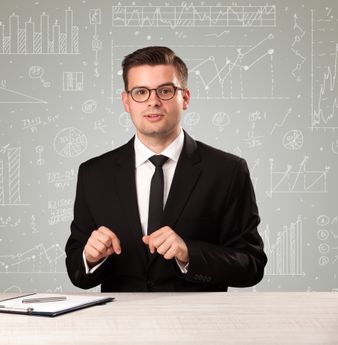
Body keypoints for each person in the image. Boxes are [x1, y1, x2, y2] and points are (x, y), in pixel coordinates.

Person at [65, 46, 267, 292]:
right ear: (126, 101)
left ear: (185, 98)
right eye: (141, 92)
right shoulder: (93, 174)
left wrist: (188, 254)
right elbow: (77, 271)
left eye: (165, 91)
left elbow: (252, 265)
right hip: (119, 325)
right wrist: (91, 257)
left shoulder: (228, 171)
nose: (153, 101)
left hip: (198, 325)